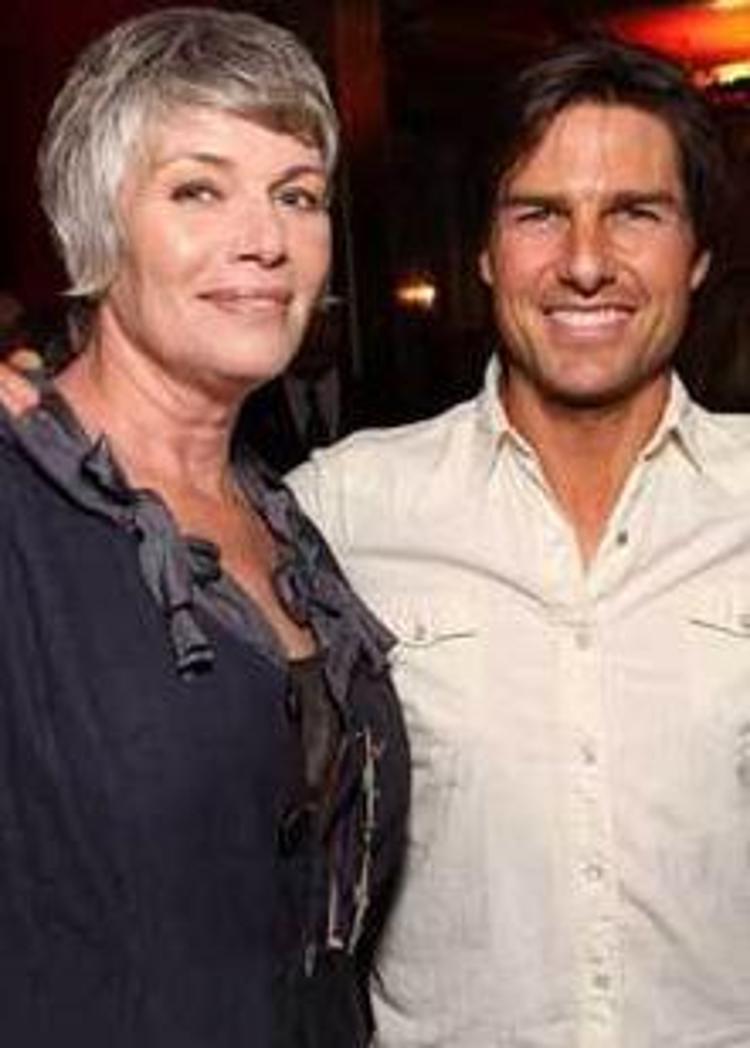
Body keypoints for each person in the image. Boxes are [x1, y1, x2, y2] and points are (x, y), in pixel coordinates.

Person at [289, 38, 750, 1047]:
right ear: (487, 254)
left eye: (636, 213)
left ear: (699, 255)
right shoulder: (347, 508)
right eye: (540, 213)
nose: (585, 262)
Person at [0, 8, 408, 1048]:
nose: (265, 240)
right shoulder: (20, 511)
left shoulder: (290, 525)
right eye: (198, 189)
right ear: (97, 226)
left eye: (296, 195)